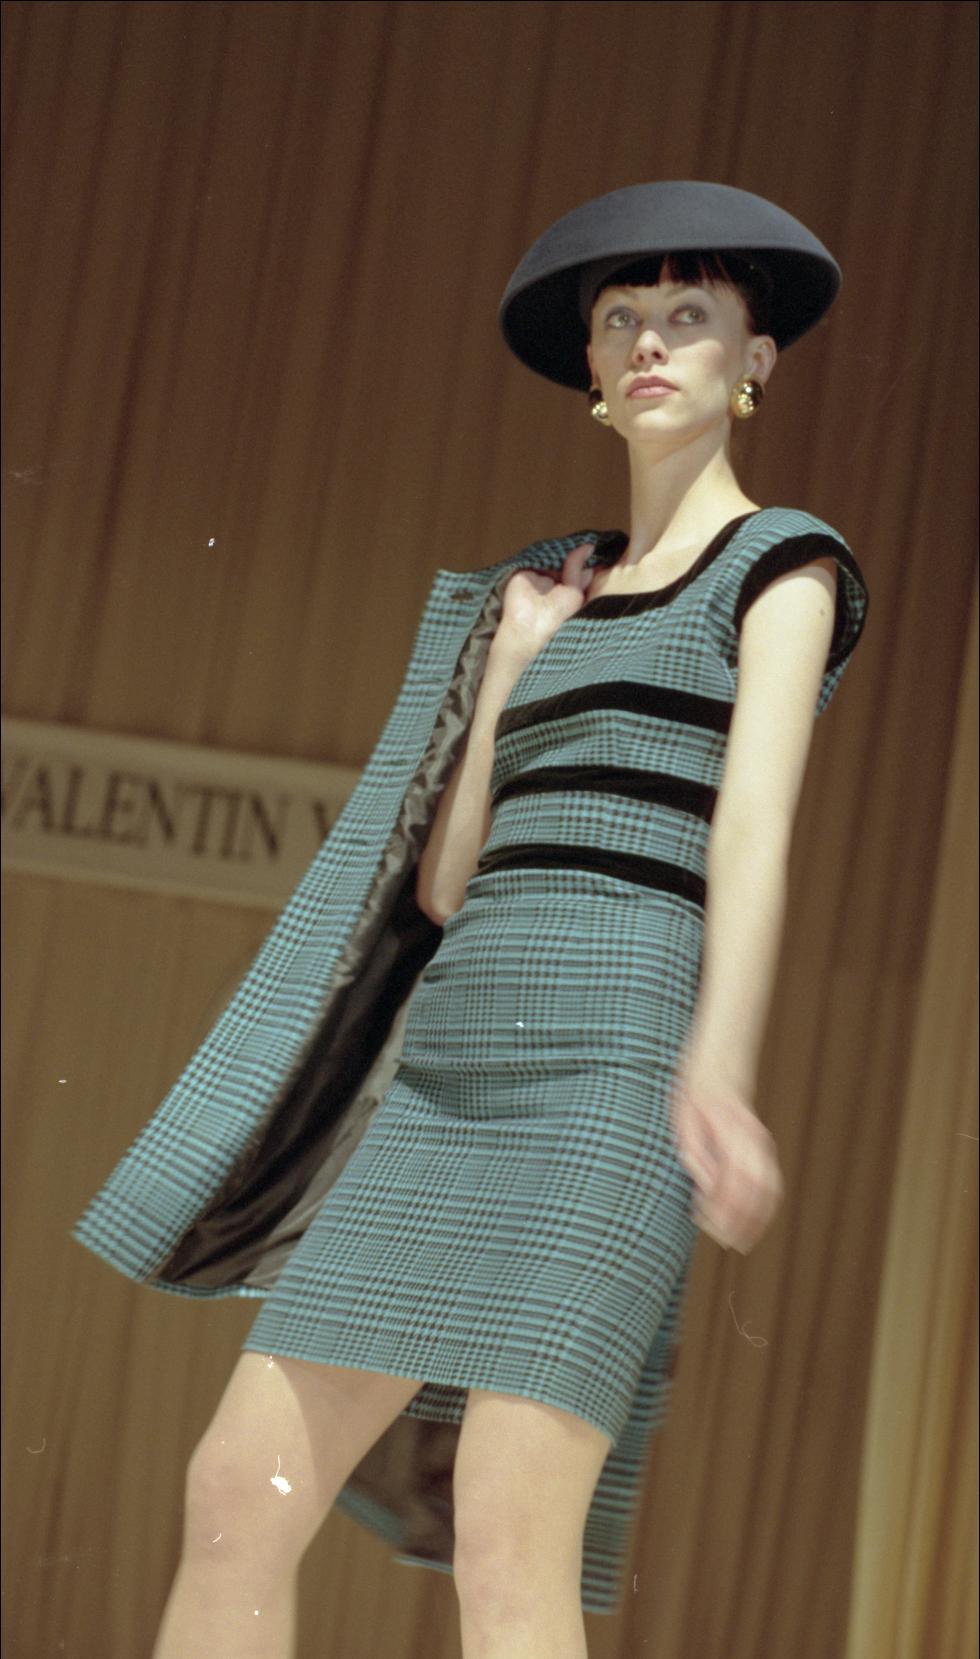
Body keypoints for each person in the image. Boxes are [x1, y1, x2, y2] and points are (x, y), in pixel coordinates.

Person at [72, 181, 869, 1659]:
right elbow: (446, 885)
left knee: (510, 1538)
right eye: (620, 320)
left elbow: (753, 833)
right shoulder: (545, 592)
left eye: (689, 315)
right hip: (446, 1080)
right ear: (591, 370)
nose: (649, 343)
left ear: (755, 359)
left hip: (613, 1077)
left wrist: (719, 1069)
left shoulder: (786, 565)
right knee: (236, 1492)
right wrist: (512, 662)